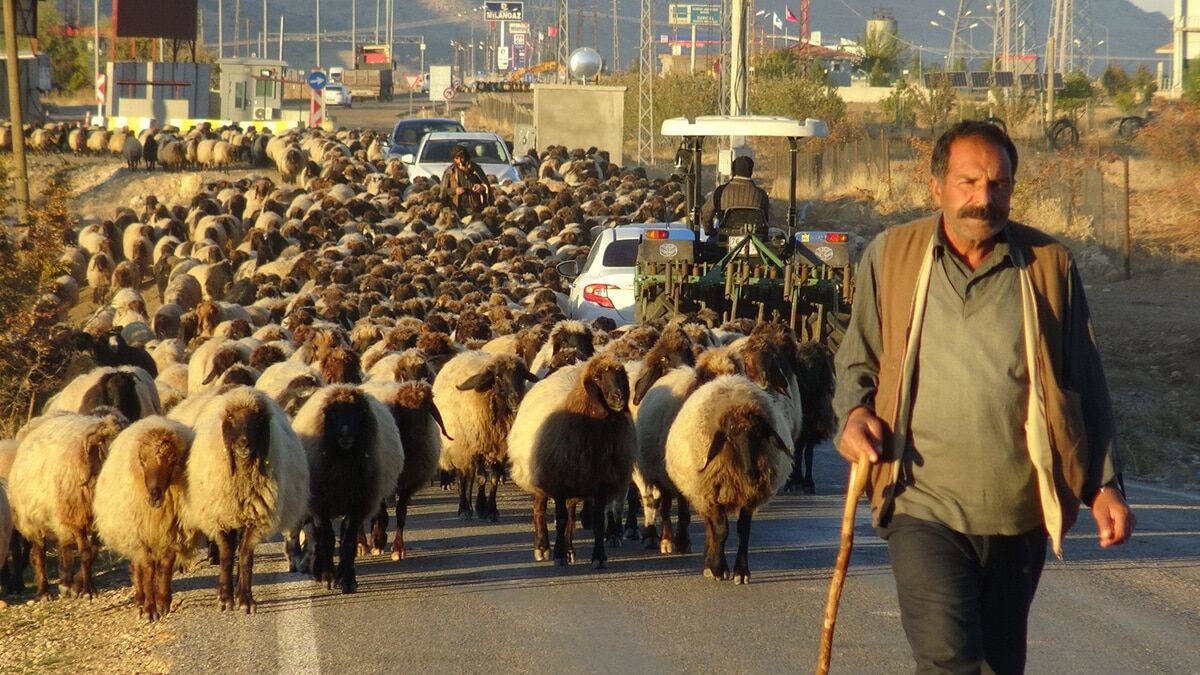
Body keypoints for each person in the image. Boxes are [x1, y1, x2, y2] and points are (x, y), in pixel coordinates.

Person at [832, 120, 1134, 674]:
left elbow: (1084, 381)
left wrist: (1103, 485)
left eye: (997, 185)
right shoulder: (891, 257)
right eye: (968, 182)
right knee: (949, 658)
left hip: (1019, 511)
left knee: (999, 664)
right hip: (921, 504)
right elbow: (858, 358)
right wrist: (854, 414)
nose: (982, 199)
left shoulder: (1048, 265)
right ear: (936, 186)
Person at [699, 155, 771, 237]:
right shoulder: (761, 194)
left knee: (710, 242)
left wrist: (710, 231)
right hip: (754, 238)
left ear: (733, 171)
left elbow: (705, 215)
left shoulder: (720, 191)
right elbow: (765, 221)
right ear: (751, 172)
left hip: (724, 238)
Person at [441, 145, 491, 217]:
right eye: (457, 158)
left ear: (466, 157)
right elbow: (443, 191)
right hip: (456, 210)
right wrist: (455, 190)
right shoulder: (449, 172)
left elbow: (486, 186)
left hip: (475, 208)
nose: (460, 161)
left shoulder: (475, 169)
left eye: (462, 158)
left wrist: (481, 187)